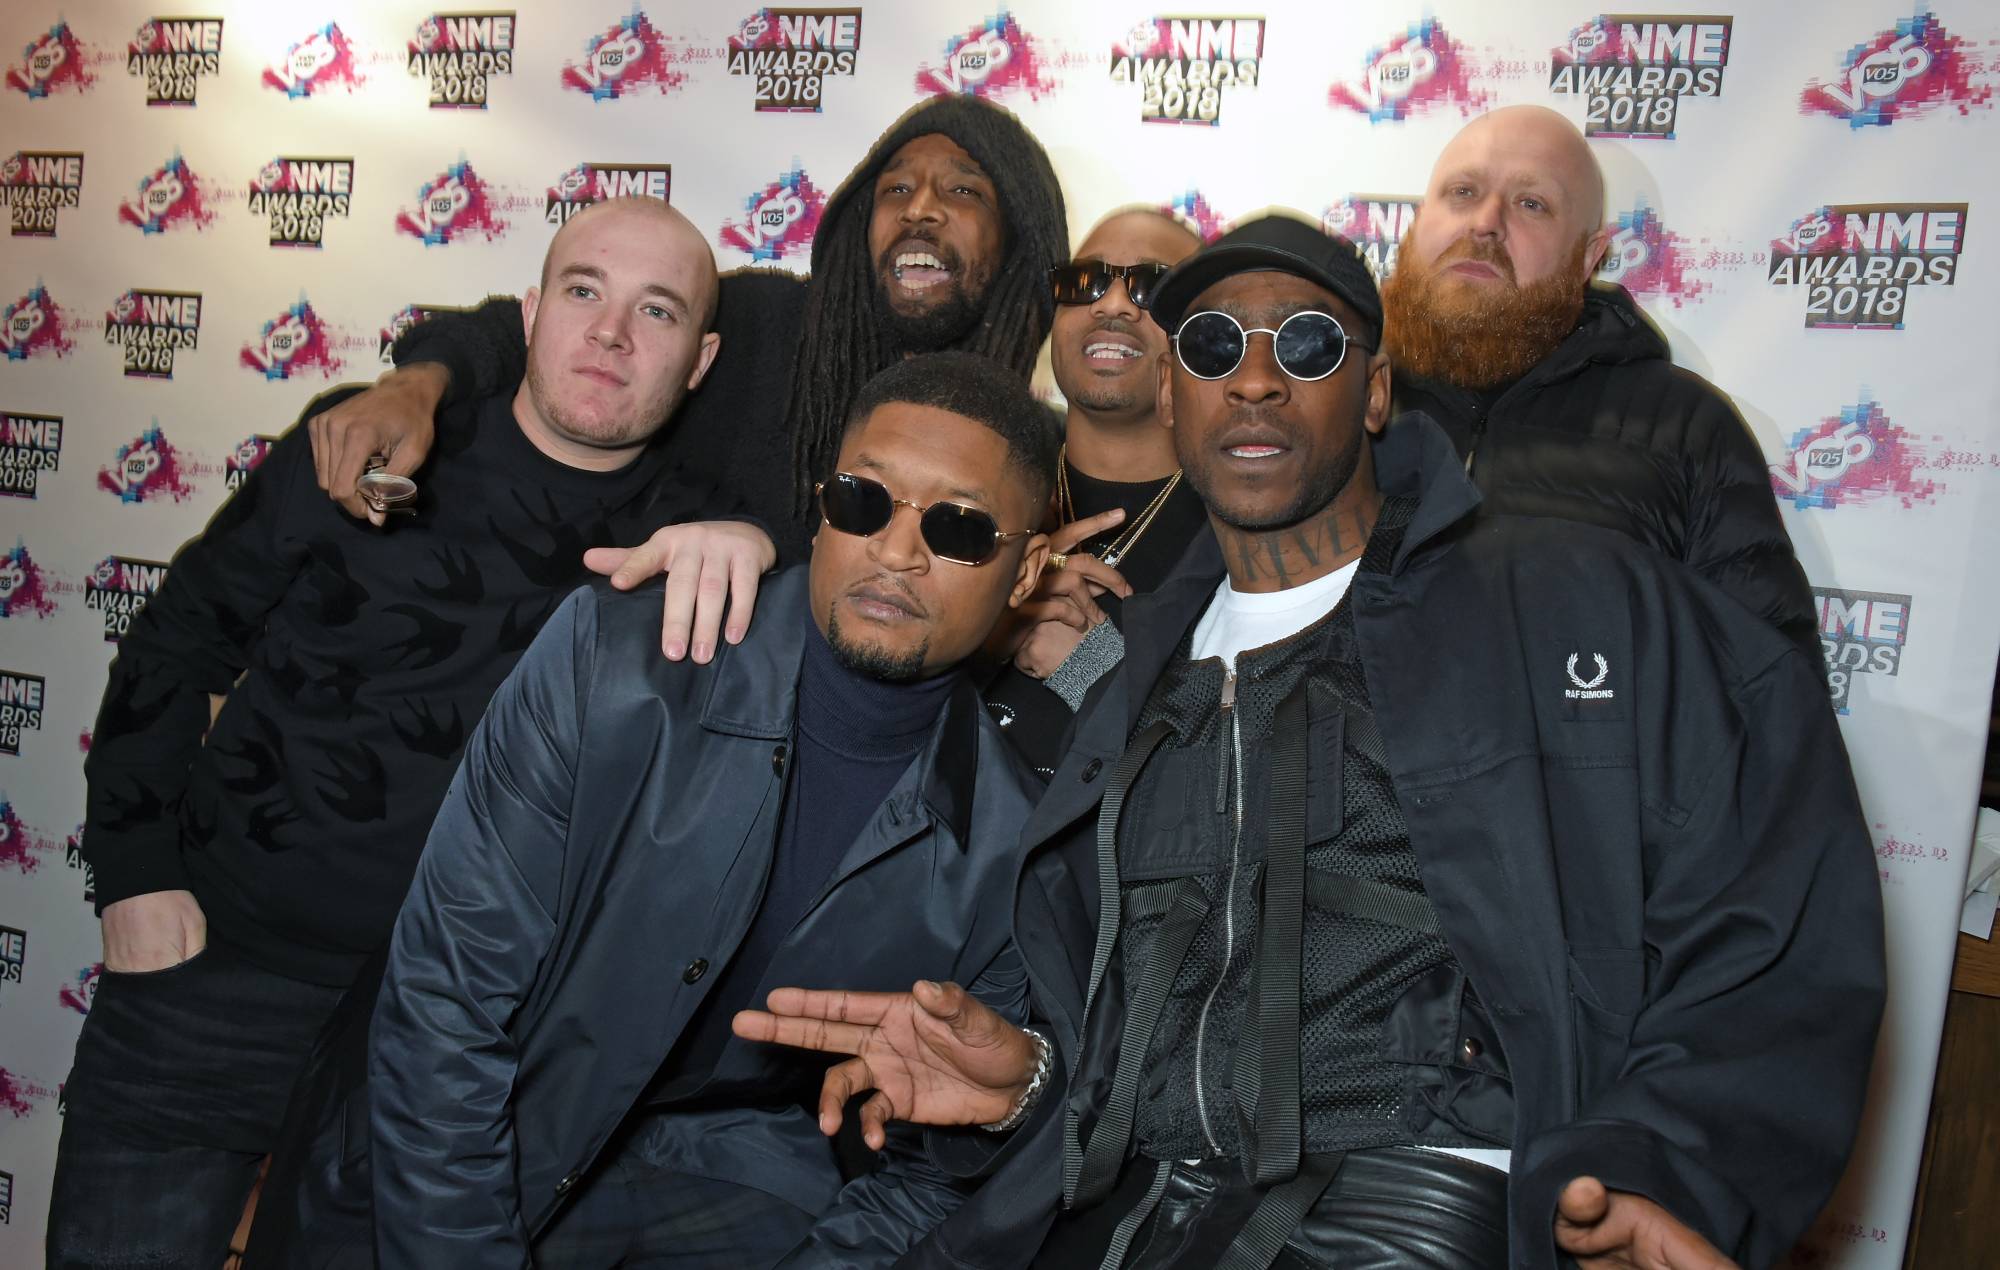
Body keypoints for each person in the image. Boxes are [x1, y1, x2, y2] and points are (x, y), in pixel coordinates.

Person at [735, 216, 1885, 1270]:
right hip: (1117, 1216)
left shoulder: (1570, 601)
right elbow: (1139, 1021)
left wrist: (1671, 1163)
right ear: (1173, 396)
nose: (1251, 377)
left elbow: (1769, 891)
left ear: (1376, 390)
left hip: (1426, 1206)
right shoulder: (1126, 679)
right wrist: (1026, 1085)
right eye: (1210, 345)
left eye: (1306, 345)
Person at [49, 198, 764, 1269]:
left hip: (450, 1046)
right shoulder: (373, 439)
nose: (610, 333)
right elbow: (179, 636)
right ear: (527, 311)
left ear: (700, 360)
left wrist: (754, 537)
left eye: (655, 312)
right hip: (217, 977)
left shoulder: (698, 546)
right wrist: (136, 871)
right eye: (582, 292)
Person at [361, 352, 1057, 1269]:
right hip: (474, 1142)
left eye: (961, 529)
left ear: (1025, 572)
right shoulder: (611, 663)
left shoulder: (1014, 840)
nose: (895, 551)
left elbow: (933, 1176)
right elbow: (446, 1005)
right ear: (819, 506)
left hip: (737, 1174)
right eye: (863, 500)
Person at [312, 94, 1069, 572]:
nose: (920, 209)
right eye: (896, 188)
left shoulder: (1033, 448)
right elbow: (554, 335)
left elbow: (1111, 672)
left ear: (1019, 242)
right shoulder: (762, 324)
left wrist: (1045, 645)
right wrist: (414, 385)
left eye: (963, 189)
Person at [1380, 104, 1817, 657]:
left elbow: (1771, 692)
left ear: (1588, 257)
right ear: (1419, 222)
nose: (1486, 221)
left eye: (1530, 203)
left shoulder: (1685, 431)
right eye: (1463, 192)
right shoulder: (1335, 396)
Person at [982, 208, 1208, 778]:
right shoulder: (979, 482)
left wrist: (1093, 669)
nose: (1112, 304)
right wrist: (989, 619)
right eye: (1085, 283)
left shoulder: (1241, 529)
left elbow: (1236, 777)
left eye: (1151, 286)